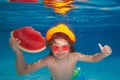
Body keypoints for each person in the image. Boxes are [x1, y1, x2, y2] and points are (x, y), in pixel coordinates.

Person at [9, 23, 112, 80]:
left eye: (64, 47)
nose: (60, 51)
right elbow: (21, 72)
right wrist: (17, 51)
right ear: (50, 48)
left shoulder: (75, 56)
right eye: (56, 47)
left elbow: (93, 59)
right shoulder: (48, 60)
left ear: (70, 47)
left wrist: (103, 54)